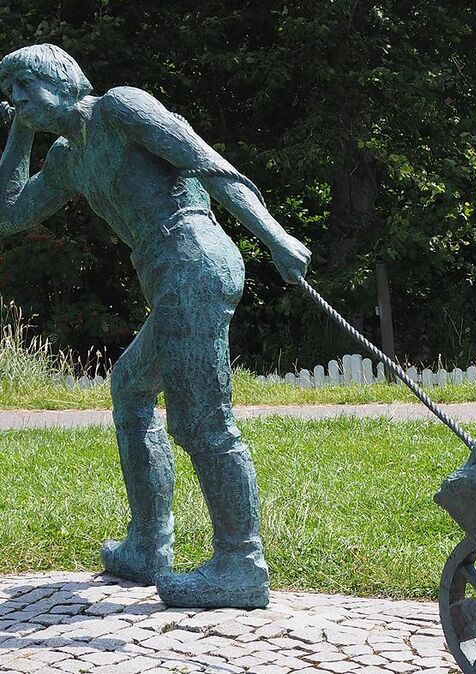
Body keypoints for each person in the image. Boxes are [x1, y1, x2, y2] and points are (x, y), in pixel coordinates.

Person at [0, 44, 310, 608]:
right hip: (168, 276)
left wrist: (275, 237)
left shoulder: (119, 108)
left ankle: (241, 564)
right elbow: (10, 214)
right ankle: (149, 546)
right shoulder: (69, 157)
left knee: (201, 419)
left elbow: (208, 162)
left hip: (194, 260)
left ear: (64, 79)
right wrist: (18, 136)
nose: (14, 98)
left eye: (23, 84)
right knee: (131, 386)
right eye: (8, 90)